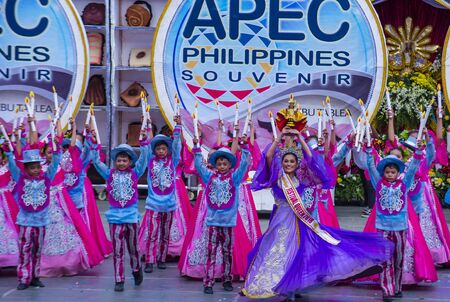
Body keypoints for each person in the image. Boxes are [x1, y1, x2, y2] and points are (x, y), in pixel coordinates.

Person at [243, 136, 393, 301]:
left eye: (292, 161)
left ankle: (292, 287)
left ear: (297, 163)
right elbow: (269, 157)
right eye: (286, 161)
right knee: (278, 254)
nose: (288, 164)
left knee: (298, 254)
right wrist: (278, 138)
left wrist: (300, 138)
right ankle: (281, 286)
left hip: (299, 222)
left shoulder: (302, 180)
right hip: (280, 224)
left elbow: (312, 161)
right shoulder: (277, 178)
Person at [5, 116, 62, 290]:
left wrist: (56, 149)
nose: (36, 170)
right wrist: (9, 152)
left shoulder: (46, 178)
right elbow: (13, 166)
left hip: (42, 222)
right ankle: (23, 278)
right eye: (32, 167)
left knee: (38, 250)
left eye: (37, 166)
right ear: (26, 168)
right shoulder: (20, 178)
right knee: (25, 250)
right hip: (25, 222)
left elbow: (54, 165)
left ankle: (35, 276)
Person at [91, 126, 149, 292]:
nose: (121, 163)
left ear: (130, 162)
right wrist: (94, 143)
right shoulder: (109, 174)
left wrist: (144, 142)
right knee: (117, 251)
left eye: (125, 160)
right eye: (119, 160)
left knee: (134, 249)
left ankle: (137, 270)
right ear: (115, 162)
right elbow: (96, 162)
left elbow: (144, 160)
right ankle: (119, 279)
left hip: (131, 217)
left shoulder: (135, 173)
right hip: (115, 218)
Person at [365, 140, 424, 302]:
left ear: (398, 173)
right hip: (382, 228)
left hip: (400, 228)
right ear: (384, 173)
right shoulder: (378, 183)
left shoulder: (404, 183)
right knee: (385, 260)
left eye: (393, 172)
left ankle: (397, 288)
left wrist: (418, 153)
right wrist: (369, 151)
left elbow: (412, 169)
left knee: (398, 260)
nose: (390, 174)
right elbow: (370, 167)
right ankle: (387, 290)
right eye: (388, 172)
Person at [192, 131, 250, 294]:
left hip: (228, 223)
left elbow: (244, 164)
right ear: (215, 165)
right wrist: (196, 148)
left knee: (227, 253)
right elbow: (199, 166)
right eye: (219, 164)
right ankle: (208, 281)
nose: (222, 166)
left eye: (225, 164)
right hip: (212, 222)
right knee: (211, 253)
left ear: (230, 165)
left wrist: (244, 147)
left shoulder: (235, 178)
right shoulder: (209, 177)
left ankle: (227, 279)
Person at [140, 115, 182, 273]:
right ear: (155, 150)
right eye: (158, 149)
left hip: (169, 205)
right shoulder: (151, 160)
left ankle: (161, 258)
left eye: (164, 149)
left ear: (167, 150)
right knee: (152, 234)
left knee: (165, 234)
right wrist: (148, 126)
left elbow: (177, 146)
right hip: (153, 204)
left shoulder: (173, 161)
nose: (161, 151)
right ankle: (150, 260)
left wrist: (177, 128)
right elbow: (149, 144)